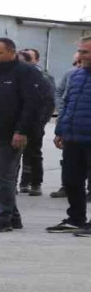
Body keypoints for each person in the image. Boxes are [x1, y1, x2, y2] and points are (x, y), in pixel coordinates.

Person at [0, 37, 45, 233]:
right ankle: (13, 216)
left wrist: (21, 131)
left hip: (10, 133)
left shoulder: (25, 72)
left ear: (12, 53)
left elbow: (32, 104)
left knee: (4, 175)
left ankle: (2, 218)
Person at [47, 37, 91, 235]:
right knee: (71, 180)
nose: (80, 56)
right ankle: (76, 218)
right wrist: (60, 131)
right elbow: (67, 105)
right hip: (73, 139)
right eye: (80, 51)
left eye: (85, 52)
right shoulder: (74, 76)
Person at [17, 48, 56, 196]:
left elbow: (49, 102)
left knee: (33, 153)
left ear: (36, 60)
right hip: (19, 122)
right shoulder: (18, 75)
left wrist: (40, 122)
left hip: (36, 122)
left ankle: (35, 183)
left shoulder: (44, 78)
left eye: (29, 59)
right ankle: (20, 183)